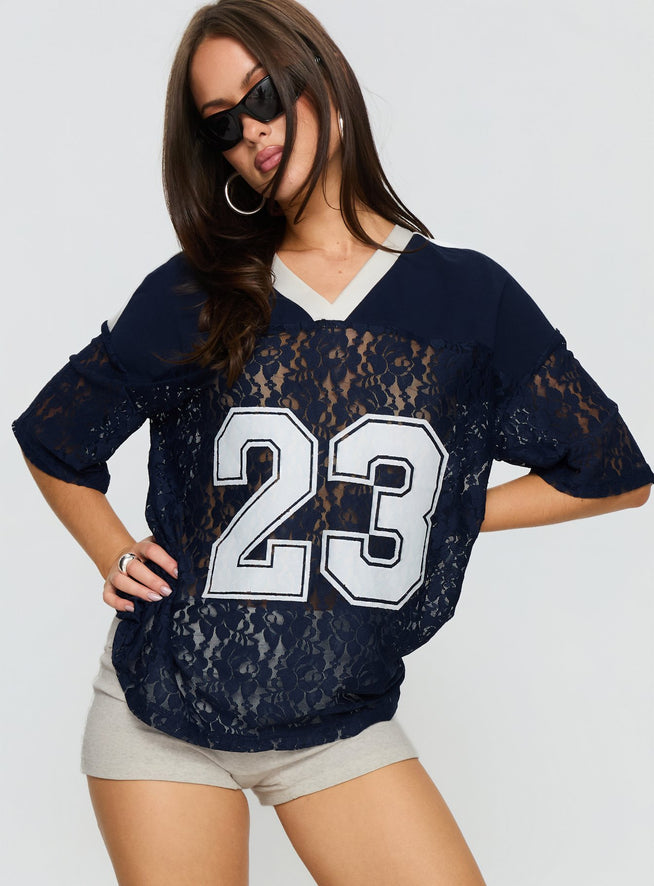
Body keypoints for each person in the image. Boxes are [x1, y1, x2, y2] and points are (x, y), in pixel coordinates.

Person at [11, 0, 653, 883]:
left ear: (322, 78)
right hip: (164, 710)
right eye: (222, 123)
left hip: (338, 722)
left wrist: (447, 512)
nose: (251, 131)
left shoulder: (468, 299)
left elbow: (612, 473)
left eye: (261, 95)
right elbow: (55, 437)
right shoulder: (196, 291)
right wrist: (110, 550)